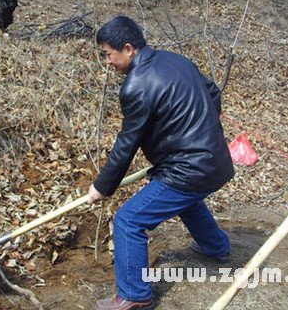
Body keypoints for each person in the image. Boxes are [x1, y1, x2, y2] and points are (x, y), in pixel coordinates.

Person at [87, 16, 235, 310]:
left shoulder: (136, 86)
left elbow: (126, 144)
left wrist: (101, 187)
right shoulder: (175, 59)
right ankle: (216, 247)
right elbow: (213, 91)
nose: (106, 61)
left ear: (128, 48)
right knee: (185, 199)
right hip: (213, 160)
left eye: (107, 54)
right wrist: (204, 126)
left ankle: (134, 295)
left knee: (129, 220)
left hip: (189, 168)